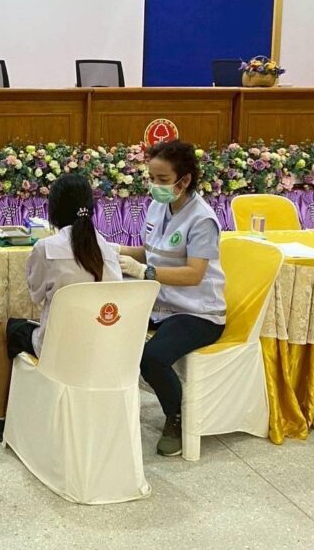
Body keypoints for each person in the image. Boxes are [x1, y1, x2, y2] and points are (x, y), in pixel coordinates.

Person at [0, 172, 122, 441]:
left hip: (59, 349)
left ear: (53, 210)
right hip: (105, 346)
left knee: (6, 328)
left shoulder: (47, 248)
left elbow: (35, 295)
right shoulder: (108, 248)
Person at [117, 139, 226, 457]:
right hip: (161, 304)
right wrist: (116, 250)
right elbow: (151, 251)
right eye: (151, 178)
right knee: (110, 328)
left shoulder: (202, 220)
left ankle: (175, 418)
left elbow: (194, 274)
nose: (155, 185)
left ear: (184, 180)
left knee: (152, 358)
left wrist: (145, 272)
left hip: (197, 312)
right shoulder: (158, 206)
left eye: (162, 179)